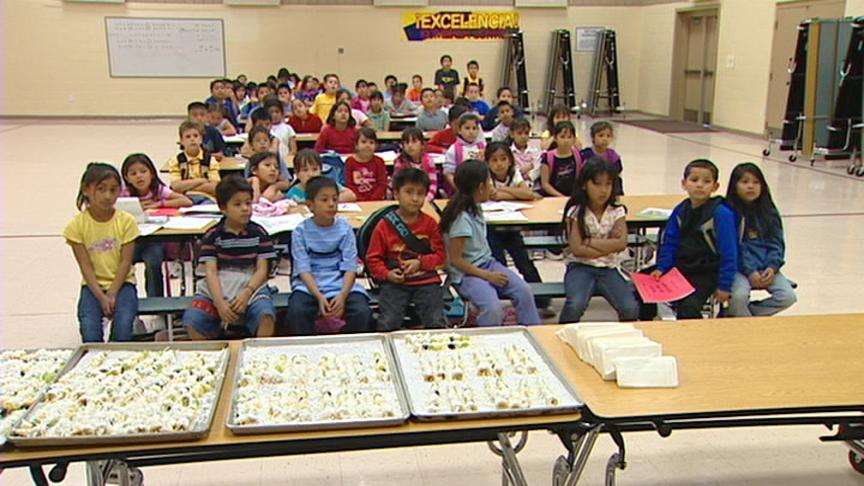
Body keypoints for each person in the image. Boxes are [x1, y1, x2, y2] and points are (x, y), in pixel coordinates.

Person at [441, 160, 540, 326]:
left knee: (524, 291)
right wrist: (487, 276)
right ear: (480, 187)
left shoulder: (476, 205)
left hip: (487, 263)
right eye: (489, 182)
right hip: (467, 274)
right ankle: (487, 341)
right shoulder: (461, 219)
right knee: (493, 308)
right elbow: (456, 260)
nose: (492, 186)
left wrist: (490, 272)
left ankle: (534, 332)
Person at [182, 176, 277, 340]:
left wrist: (247, 293)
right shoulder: (213, 235)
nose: (245, 208)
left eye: (248, 203)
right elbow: (210, 272)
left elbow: (262, 269)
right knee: (192, 321)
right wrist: (219, 302)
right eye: (238, 204)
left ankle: (258, 354)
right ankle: (211, 356)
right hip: (217, 287)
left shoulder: (259, 233)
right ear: (223, 208)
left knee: (266, 315)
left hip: (251, 286)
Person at [651, 159, 738, 319]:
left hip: (706, 272)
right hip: (681, 269)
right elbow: (670, 243)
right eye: (694, 180)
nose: (699, 185)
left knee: (688, 308)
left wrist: (724, 285)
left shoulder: (721, 213)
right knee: (641, 291)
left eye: (706, 181)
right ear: (684, 184)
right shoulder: (680, 210)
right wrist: (662, 268)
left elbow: (729, 253)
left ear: (715, 186)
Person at [288, 176, 373, 334]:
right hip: (310, 286)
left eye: (335, 199)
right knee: (297, 312)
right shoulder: (300, 232)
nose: (331, 204)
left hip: (341, 284)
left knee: (362, 312)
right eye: (324, 200)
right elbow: (303, 269)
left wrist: (342, 296)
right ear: (310, 205)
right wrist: (319, 296)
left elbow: (350, 267)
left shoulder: (345, 228)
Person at [64, 163, 139, 342]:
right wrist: (101, 296)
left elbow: (125, 261)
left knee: (123, 327)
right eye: (101, 189)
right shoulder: (76, 226)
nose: (108, 196)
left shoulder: (126, 221)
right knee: (89, 328)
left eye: (113, 190)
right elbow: (85, 265)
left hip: (123, 284)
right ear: (87, 190)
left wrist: (112, 293)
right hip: (92, 286)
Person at [365, 169, 447, 331]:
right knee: (388, 323)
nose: (415, 198)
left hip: (426, 282)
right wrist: (387, 274)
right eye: (409, 192)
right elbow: (372, 259)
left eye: (420, 193)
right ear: (396, 194)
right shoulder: (384, 226)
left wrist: (421, 263)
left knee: (436, 322)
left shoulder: (430, 224)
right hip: (395, 282)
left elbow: (441, 256)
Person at [560, 157, 639, 323]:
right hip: (580, 267)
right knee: (575, 305)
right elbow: (577, 250)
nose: (603, 190)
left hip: (609, 267)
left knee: (630, 308)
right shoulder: (576, 211)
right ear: (584, 185)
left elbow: (621, 244)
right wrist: (609, 244)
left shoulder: (617, 210)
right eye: (597, 184)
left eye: (608, 184)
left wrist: (588, 241)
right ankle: (561, 333)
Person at [485, 143, 551, 315]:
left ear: (510, 161)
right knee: (500, 265)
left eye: (503, 159)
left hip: (512, 227)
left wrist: (503, 191)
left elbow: (528, 194)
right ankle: (504, 301)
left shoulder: (514, 174)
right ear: (487, 163)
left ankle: (543, 301)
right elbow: (490, 195)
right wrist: (515, 193)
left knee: (525, 264)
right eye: (494, 160)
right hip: (491, 230)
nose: (499, 164)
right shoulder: (485, 176)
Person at [725, 163, 797, 317]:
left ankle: (745, 317)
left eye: (756, 182)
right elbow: (735, 248)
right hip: (739, 269)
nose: (751, 186)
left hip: (766, 268)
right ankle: (745, 324)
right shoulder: (729, 213)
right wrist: (750, 271)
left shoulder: (769, 211)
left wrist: (772, 266)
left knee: (788, 297)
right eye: (745, 182)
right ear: (734, 186)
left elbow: (776, 243)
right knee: (739, 296)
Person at [121, 153, 192, 297]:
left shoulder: (158, 190)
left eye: (143, 171)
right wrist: (137, 206)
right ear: (127, 178)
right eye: (133, 173)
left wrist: (160, 203)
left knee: (153, 261)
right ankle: (127, 301)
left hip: (154, 240)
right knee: (121, 264)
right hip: (131, 241)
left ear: (152, 173)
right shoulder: (125, 194)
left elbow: (186, 201)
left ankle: (156, 302)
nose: (139, 176)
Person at [168, 120, 220, 201]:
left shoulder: (210, 160)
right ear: (181, 141)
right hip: (183, 199)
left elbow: (214, 187)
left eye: (195, 136)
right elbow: (175, 187)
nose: (192, 139)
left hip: (207, 198)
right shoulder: (176, 160)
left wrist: (186, 186)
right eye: (188, 137)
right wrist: (202, 180)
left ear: (201, 139)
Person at [285, 149, 356, 203]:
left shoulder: (328, 184)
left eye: (315, 169)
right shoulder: (292, 193)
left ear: (321, 170)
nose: (311, 174)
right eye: (305, 170)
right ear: (297, 173)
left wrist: (328, 200)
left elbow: (351, 195)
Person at [443, 112, 486, 191]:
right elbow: (448, 173)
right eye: (467, 128)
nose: (471, 132)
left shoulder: (483, 147)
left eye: (474, 128)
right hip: (461, 188)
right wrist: (458, 189)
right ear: (459, 130)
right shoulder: (453, 149)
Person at [579, 121, 623, 197]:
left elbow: (616, 175)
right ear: (593, 137)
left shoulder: (613, 156)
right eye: (601, 135)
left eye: (608, 136)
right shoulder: (584, 155)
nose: (605, 139)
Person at [539, 121, 582, 197]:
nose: (566, 140)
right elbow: (545, 184)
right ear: (555, 138)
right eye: (562, 137)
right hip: (552, 197)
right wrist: (560, 196)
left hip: (572, 196)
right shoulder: (548, 157)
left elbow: (579, 178)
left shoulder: (578, 155)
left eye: (569, 137)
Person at [394, 128, 437, 201]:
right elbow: (397, 185)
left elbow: (433, 184)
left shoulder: (428, 161)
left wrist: (427, 199)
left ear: (422, 144)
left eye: (414, 142)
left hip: (424, 198)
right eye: (406, 143)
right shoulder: (400, 162)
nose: (410, 145)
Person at [345, 127, 387, 201]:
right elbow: (349, 184)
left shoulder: (379, 162)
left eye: (371, 142)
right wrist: (359, 199)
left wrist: (373, 199)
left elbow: (382, 184)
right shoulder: (350, 162)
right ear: (356, 145)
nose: (368, 145)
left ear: (376, 145)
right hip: (356, 200)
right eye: (364, 142)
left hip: (376, 200)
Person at [509, 118, 541, 189]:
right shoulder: (509, 152)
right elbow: (512, 170)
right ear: (512, 134)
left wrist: (529, 175)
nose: (523, 136)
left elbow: (538, 168)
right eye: (519, 133)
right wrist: (529, 167)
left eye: (526, 133)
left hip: (535, 187)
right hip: (517, 187)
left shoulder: (535, 150)